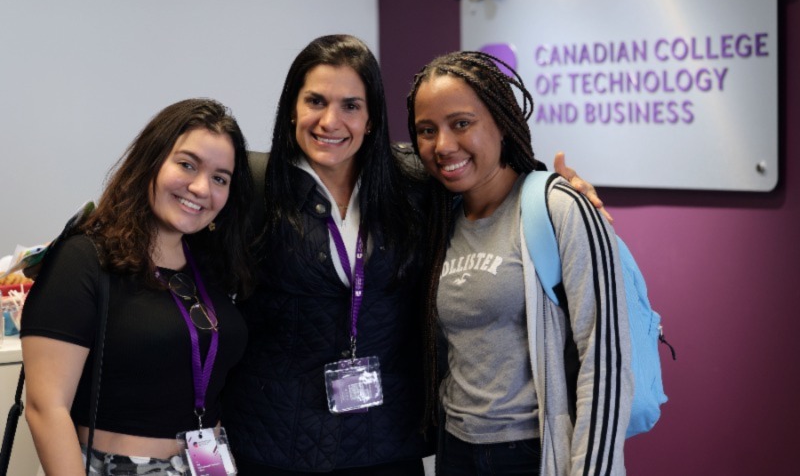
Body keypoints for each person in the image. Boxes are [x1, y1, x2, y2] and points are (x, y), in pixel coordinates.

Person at [222, 34, 610, 476]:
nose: (331, 120)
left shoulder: (413, 186)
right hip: (272, 441)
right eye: (315, 101)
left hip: (387, 444)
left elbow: (488, 176)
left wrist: (561, 189)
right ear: (292, 107)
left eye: (351, 105)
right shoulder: (249, 186)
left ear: (371, 119)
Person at [406, 51, 633, 475]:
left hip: (533, 453)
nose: (443, 145)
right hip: (455, 451)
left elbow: (606, 361)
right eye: (426, 130)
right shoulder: (441, 220)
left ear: (502, 121)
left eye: (461, 124)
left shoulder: (559, 208)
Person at [20, 98, 256, 476]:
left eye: (219, 178)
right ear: (151, 160)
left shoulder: (211, 266)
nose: (200, 187)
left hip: (209, 464)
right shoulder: (84, 259)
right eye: (187, 164)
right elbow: (46, 408)